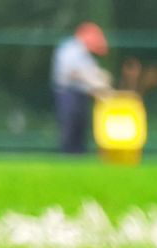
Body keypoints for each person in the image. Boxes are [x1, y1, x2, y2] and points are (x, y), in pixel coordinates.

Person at [51, 22, 112, 154]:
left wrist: (102, 79)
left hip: (81, 95)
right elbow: (74, 73)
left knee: (80, 128)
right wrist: (96, 84)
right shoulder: (70, 49)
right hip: (67, 93)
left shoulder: (84, 53)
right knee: (70, 126)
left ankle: (79, 156)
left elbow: (93, 71)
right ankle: (67, 156)